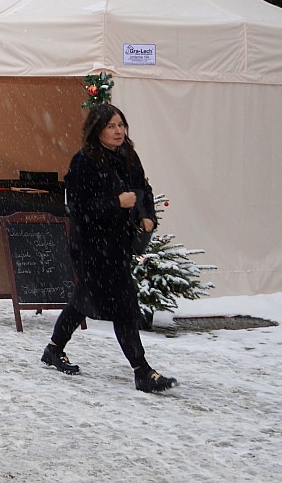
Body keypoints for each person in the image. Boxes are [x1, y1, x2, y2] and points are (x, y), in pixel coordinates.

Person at [41, 104, 177, 393]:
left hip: (118, 244)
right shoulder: (84, 162)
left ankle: (53, 349)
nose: (118, 131)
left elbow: (143, 188)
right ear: (97, 130)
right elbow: (77, 207)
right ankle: (141, 370)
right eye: (112, 126)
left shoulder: (128, 155)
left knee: (82, 301)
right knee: (124, 306)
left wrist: (146, 215)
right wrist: (116, 203)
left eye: (121, 125)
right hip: (92, 247)